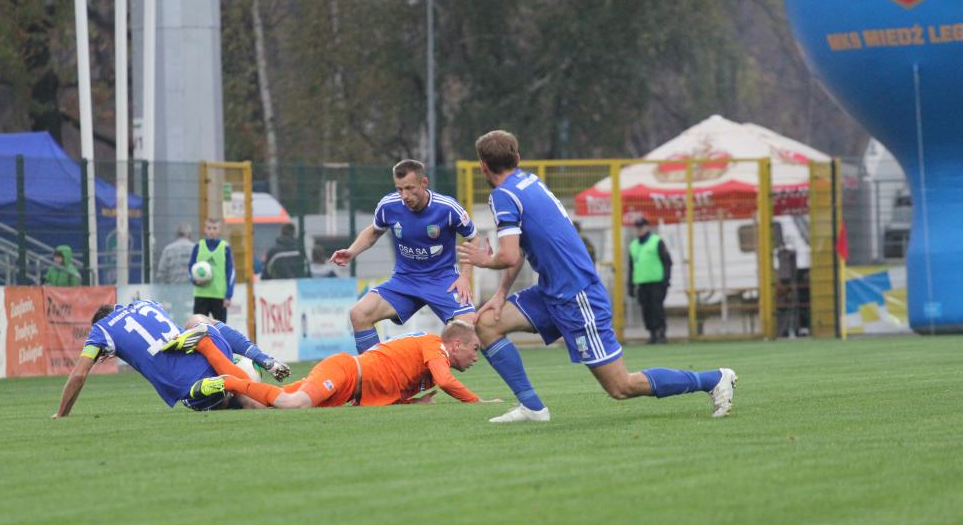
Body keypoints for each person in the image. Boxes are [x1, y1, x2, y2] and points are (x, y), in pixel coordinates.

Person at [457, 130, 737, 423]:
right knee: (487, 323)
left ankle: (713, 379)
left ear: (483, 166)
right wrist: (500, 294)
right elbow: (521, 248)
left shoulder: (503, 195)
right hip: (553, 291)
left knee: (621, 387)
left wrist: (484, 261)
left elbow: (508, 255)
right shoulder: (527, 182)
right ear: (517, 158)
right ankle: (532, 408)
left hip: (577, 296)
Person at [330, 159, 481, 354]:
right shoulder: (389, 205)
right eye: (400, 189)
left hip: (443, 279)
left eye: (410, 188)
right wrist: (351, 252)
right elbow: (374, 231)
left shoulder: (447, 208)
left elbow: (474, 239)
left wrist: (464, 276)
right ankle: (377, 375)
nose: (405, 195)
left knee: (468, 328)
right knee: (359, 314)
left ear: (424, 183)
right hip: (405, 279)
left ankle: (434, 373)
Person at [185, 320, 500, 410]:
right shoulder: (435, 346)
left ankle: (210, 356)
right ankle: (225, 377)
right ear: (455, 344)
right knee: (293, 405)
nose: (476, 356)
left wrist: (413, 401)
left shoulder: (429, 362)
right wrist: (478, 402)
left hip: (349, 389)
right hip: (345, 372)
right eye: (474, 349)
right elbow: (446, 382)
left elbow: (395, 381)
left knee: (258, 406)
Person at [52, 300, 290, 417]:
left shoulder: (100, 331)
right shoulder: (145, 303)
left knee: (223, 395)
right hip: (215, 352)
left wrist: (61, 414)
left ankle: (245, 381)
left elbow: (79, 374)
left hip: (196, 391)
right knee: (196, 320)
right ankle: (262, 360)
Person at [626, 215, 673, 344]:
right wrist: (630, 285)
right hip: (641, 282)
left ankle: (661, 333)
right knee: (646, 310)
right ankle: (652, 334)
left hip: (657, 282)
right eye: (637, 227)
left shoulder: (657, 241)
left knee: (657, 309)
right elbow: (631, 267)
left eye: (641, 226)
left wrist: (666, 279)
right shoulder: (633, 245)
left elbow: (667, 261)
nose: (639, 229)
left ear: (647, 227)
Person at [188, 217, 235, 322]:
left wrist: (228, 295)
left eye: (214, 228)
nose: (211, 231)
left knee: (220, 330)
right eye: (209, 228)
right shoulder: (198, 246)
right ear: (205, 229)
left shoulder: (225, 248)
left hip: (219, 296)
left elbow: (230, 272)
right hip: (201, 294)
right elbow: (190, 268)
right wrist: (195, 280)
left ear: (219, 230)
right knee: (198, 328)